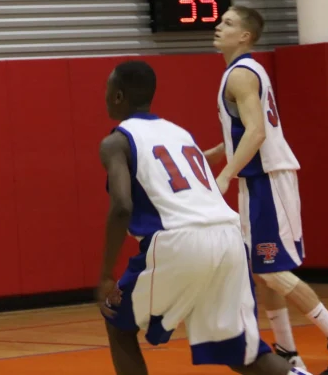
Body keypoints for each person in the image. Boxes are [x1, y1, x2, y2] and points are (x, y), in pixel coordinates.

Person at [96, 61, 309, 375]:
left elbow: (122, 207)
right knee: (242, 354)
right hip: (230, 240)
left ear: (117, 96)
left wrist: (104, 274)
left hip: (178, 242)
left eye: (107, 89)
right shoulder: (179, 133)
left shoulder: (116, 141)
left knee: (115, 316)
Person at [208, 6, 328, 375]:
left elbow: (257, 133)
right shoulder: (241, 72)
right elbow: (248, 130)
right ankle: (288, 353)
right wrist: (212, 154)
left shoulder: (241, 76)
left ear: (245, 36)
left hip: (267, 180)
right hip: (258, 180)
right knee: (262, 269)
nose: (219, 26)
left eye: (228, 23)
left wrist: (225, 175)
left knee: (273, 271)